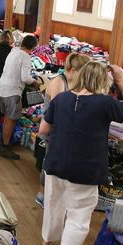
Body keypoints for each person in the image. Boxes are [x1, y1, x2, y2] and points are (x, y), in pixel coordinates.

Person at [38, 62, 123, 245]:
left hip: (55, 163)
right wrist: (121, 80)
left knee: (53, 205)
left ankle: (47, 242)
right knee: (79, 216)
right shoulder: (105, 103)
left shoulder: (61, 99)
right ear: (103, 80)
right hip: (85, 169)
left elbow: (43, 130)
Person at [35, 53, 91, 207]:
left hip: (63, 129)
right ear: (73, 69)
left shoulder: (74, 82)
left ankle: (54, 196)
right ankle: (43, 194)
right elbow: (59, 110)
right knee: (50, 162)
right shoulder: (59, 81)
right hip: (52, 128)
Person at [0, 35, 39, 160]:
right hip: (12, 91)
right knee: (11, 119)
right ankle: (5, 147)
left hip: (2, 88)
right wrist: (35, 83)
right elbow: (25, 78)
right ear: (33, 47)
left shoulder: (13, 51)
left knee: (7, 118)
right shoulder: (25, 56)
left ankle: (3, 143)